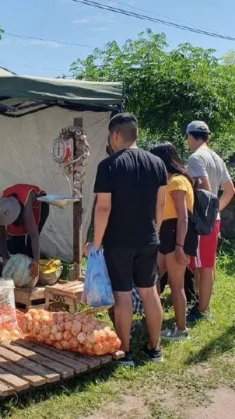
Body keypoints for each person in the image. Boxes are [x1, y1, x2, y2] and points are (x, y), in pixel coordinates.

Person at [88, 113, 167, 366]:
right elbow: (160, 204)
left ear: (115, 135)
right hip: (149, 238)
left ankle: (125, 353)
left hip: (118, 241)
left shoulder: (108, 166)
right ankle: (155, 349)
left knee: (122, 295)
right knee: (149, 293)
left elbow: (103, 209)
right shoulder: (157, 164)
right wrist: (153, 231)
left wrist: (96, 243)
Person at [186, 121, 235, 323]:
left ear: (190, 135)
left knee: (204, 266)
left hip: (201, 221)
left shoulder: (196, 157)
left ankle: (202, 310)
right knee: (207, 265)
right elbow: (230, 190)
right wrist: (216, 210)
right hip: (211, 220)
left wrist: (201, 212)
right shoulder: (216, 157)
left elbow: (204, 188)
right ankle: (202, 304)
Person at [150, 142, 197, 341]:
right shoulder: (169, 181)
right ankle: (153, 317)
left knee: (176, 285)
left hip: (177, 234)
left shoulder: (178, 181)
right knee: (153, 278)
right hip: (166, 233)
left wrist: (179, 247)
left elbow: (183, 217)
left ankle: (181, 329)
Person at [0, 185, 49, 279]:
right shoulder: (0, 209)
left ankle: (31, 274)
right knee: (17, 243)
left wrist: (36, 261)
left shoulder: (26, 208)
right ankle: (20, 273)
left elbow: (34, 235)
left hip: (39, 205)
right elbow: (1, 236)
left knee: (31, 245)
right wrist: (5, 257)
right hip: (16, 207)